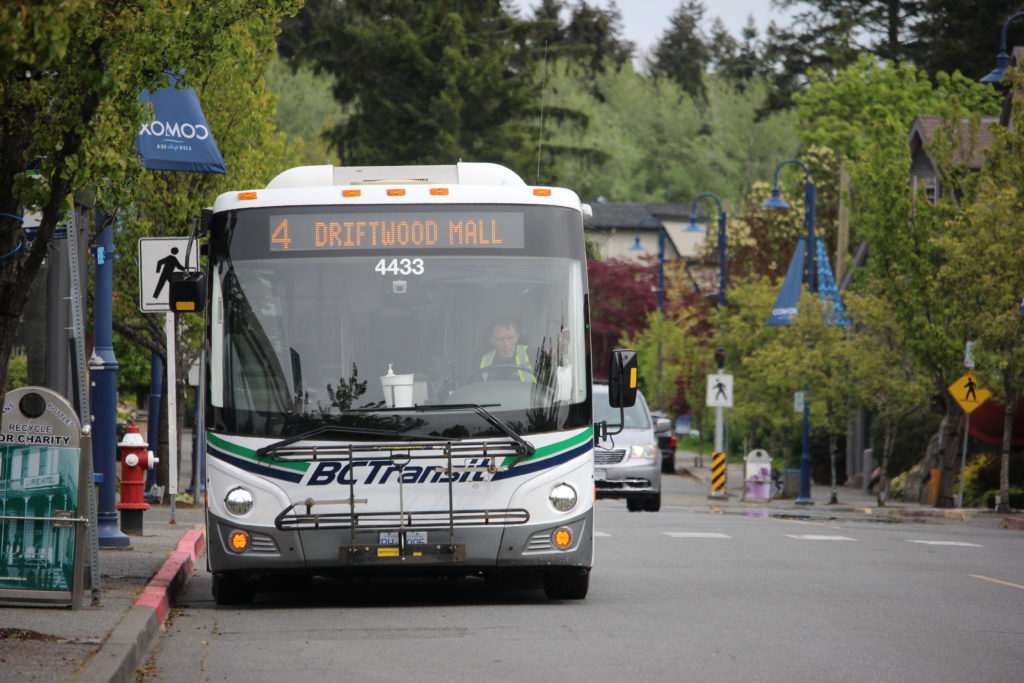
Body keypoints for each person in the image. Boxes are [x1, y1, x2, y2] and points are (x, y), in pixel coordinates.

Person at [479, 317, 533, 381]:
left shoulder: (534, 356)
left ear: (517, 337)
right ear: (492, 340)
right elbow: (475, 387)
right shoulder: (482, 360)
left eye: (510, 338)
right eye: (500, 339)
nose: (506, 344)